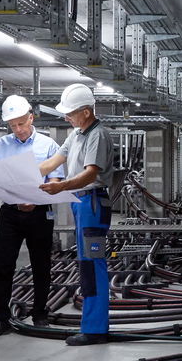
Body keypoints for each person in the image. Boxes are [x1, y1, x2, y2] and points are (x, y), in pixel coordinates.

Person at [0, 94, 61, 338]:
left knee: (41, 265)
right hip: (9, 213)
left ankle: (40, 314)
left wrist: (35, 197)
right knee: (3, 266)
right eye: (12, 126)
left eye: (21, 124)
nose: (18, 130)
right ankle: (1, 317)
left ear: (31, 117)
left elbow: (56, 179)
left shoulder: (48, 146)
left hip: (39, 212)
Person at [38, 82, 113, 345]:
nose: (66, 117)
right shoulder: (77, 134)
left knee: (93, 266)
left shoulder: (97, 135)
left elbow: (91, 173)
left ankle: (95, 330)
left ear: (86, 112)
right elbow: (52, 162)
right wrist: (20, 176)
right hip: (80, 203)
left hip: (92, 204)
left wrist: (61, 186)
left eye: (70, 113)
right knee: (86, 265)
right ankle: (91, 326)